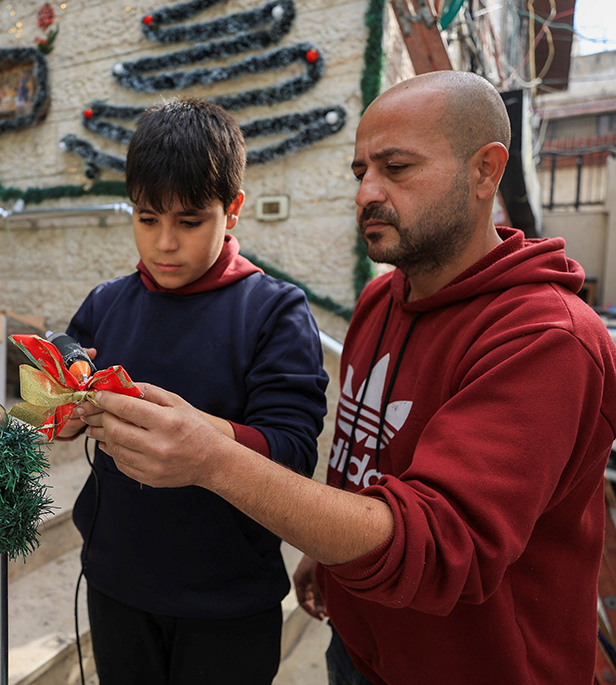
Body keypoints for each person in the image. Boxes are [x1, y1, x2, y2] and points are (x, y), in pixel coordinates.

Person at [77, 71, 616, 685]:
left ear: (486, 171)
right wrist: (325, 554)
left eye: (397, 167)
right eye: (361, 172)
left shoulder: (547, 338)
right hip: (356, 643)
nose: (366, 193)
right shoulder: (381, 301)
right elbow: (364, 460)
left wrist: (212, 457)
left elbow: (441, 544)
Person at [59, 98, 329, 684]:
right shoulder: (107, 302)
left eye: (188, 222)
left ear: (231, 210)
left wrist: (201, 438)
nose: (163, 245)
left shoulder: (274, 310)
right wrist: (62, 399)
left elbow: (293, 451)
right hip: (115, 579)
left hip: (227, 598)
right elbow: (61, 377)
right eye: (146, 218)